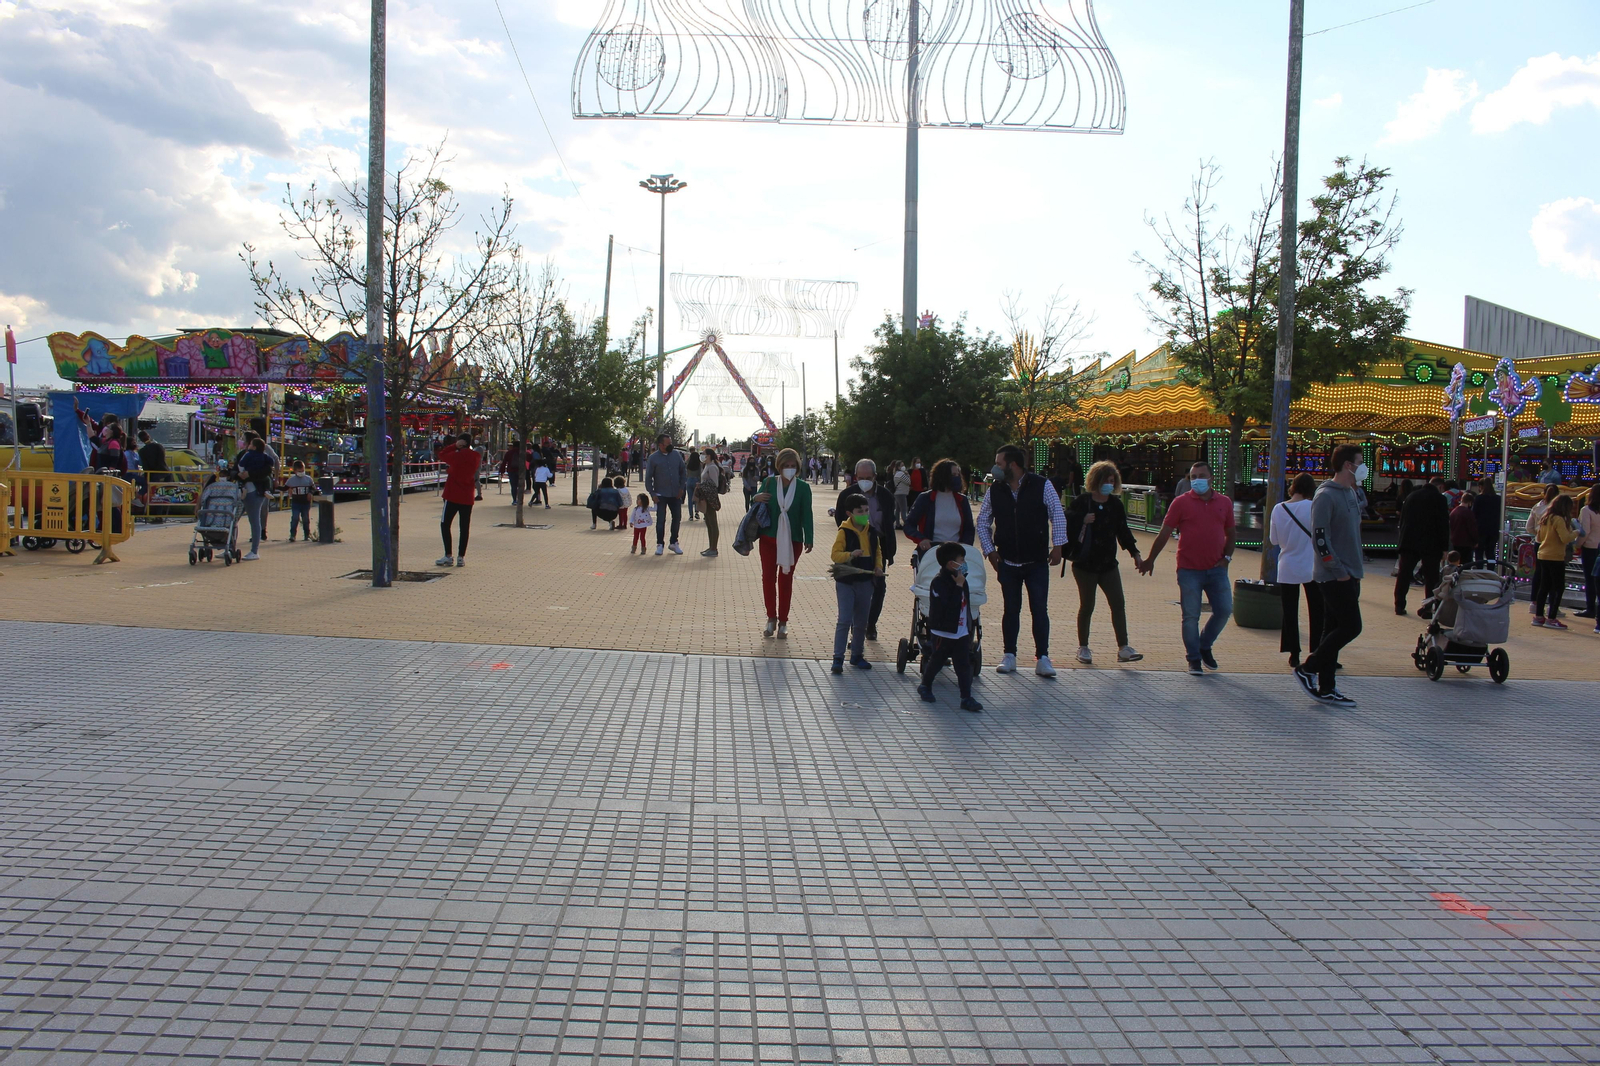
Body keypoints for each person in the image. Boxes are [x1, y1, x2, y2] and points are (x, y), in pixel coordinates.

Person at [1137, 460, 1234, 676]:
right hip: (1189, 569)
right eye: (1193, 477)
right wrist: (1150, 558)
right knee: (1191, 615)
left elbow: (1231, 531)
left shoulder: (1224, 502)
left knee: (1224, 610)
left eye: (1201, 475)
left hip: (1217, 568)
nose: (1197, 480)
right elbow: (1164, 533)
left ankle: (1204, 644)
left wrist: (1227, 557)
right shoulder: (1181, 503)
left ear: (1211, 478)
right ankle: (1194, 658)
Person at [978, 444, 1067, 678]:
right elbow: (983, 520)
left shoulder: (1041, 484)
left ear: (1013, 465)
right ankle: (1009, 654)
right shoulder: (996, 490)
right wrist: (989, 550)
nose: (995, 468)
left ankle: (1043, 657)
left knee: (1039, 609)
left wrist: (1058, 546)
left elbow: (1057, 514)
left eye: (999, 464)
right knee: (1011, 609)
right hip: (1007, 560)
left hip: (1036, 560)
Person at [1293, 444, 1366, 706]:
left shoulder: (1350, 493)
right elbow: (1320, 538)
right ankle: (1308, 667)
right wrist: (1339, 570)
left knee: (1332, 629)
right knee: (1351, 626)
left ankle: (1327, 687)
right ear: (1349, 465)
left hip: (1351, 572)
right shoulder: (1325, 496)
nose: (1363, 466)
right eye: (1360, 461)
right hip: (1334, 575)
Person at [1065, 460, 1143, 665]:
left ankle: (1123, 647)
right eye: (1105, 480)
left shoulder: (1115, 505)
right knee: (1087, 605)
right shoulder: (1083, 501)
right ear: (1095, 481)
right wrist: (1082, 519)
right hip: (1085, 564)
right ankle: (1083, 646)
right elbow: (1066, 520)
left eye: (1112, 481)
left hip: (1108, 564)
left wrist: (1134, 552)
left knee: (1118, 603)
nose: (1108, 484)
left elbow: (1123, 531)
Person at [751, 447, 814, 638]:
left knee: (785, 579)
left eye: (792, 466)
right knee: (768, 578)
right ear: (779, 466)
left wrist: (809, 538)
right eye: (786, 465)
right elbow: (756, 503)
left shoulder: (803, 487)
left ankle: (783, 621)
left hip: (792, 540)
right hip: (769, 538)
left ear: (798, 467)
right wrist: (756, 497)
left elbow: (806, 514)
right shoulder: (770, 483)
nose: (789, 468)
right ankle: (771, 618)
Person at [834, 459, 898, 641]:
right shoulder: (848, 495)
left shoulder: (885, 496)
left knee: (878, 586)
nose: (864, 481)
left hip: (878, 545)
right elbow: (840, 519)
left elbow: (889, 522)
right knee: (855, 587)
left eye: (868, 477)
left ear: (875, 477)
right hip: (855, 548)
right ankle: (856, 626)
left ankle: (870, 624)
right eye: (860, 477)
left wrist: (888, 550)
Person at [917, 541, 983, 713]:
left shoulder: (962, 579)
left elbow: (964, 604)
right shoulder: (939, 583)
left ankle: (966, 697)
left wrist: (968, 626)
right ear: (950, 563)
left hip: (960, 630)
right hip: (943, 630)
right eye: (961, 560)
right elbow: (949, 606)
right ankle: (925, 685)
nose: (964, 563)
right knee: (937, 659)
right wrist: (959, 586)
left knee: (962, 664)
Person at [1269, 473, 1322, 670]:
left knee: (1289, 612)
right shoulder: (1313, 507)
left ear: (1292, 487)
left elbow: (1274, 540)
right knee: (1317, 610)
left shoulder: (1278, 508)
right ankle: (1317, 651)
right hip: (1312, 566)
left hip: (1287, 565)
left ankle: (1293, 653)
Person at [829, 493, 882, 673]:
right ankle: (838, 657)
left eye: (866, 510)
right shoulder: (844, 531)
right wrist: (851, 555)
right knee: (844, 620)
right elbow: (835, 555)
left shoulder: (872, 532)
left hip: (866, 581)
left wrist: (878, 567)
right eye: (860, 511)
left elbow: (878, 552)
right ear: (849, 513)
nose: (864, 514)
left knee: (861, 622)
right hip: (846, 581)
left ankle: (857, 655)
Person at [1394, 477, 1450, 617]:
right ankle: (1427, 608)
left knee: (1404, 574)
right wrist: (1444, 547)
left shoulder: (1411, 496)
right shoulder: (1439, 499)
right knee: (1431, 578)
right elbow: (1443, 525)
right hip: (1431, 544)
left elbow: (1403, 520)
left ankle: (1399, 605)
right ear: (1440, 487)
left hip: (1409, 542)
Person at [903, 459, 975, 553]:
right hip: (931, 552)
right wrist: (921, 539)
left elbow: (969, 528)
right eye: (953, 475)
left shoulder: (962, 500)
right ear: (943, 476)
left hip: (957, 554)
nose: (957, 478)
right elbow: (909, 525)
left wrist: (965, 546)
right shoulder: (925, 499)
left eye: (958, 475)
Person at [435, 434, 480, 567]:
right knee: (464, 527)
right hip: (467, 496)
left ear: (461, 442)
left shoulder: (455, 456)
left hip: (452, 495)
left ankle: (448, 555)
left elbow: (442, 454)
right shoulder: (476, 456)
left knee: (445, 524)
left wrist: (454, 446)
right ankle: (461, 557)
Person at [1533, 494, 1577, 628]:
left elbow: (1539, 538)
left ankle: (1538, 616)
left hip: (1543, 554)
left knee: (1544, 586)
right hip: (1555, 556)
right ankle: (1551, 618)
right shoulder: (1559, 520)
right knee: (1558, 587)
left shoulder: (1545, 518)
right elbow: (1565, 538)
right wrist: (1576, 532)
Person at [1524, 483, 1563, 616]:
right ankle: (1552, 607)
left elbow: (1528, 527)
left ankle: (1534, 603)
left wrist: (1538, 533)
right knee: (1553, 578)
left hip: (1539, 543)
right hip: (1553, 545)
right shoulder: (1557, 510)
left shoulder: (1537, 507)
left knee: (1539, 573)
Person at [645, 434, 687, 555]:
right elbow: (648, 478)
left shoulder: (676, 455)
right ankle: (660, 544)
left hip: (675, 494)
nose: (670, 445)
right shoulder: (653, 458)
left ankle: (674, 542)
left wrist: (681, 488)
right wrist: (652, 493)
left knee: (677, 518)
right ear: (660, 445)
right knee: (661, 520)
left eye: (671, 442)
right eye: (668, 443)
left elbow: (682, 471)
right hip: (660, 495)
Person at [234, 437, 274, 561]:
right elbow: (234, 469)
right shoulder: (259, 456)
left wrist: (247, 474)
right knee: (233, 519)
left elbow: (265, 472)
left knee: (254, 520)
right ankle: (229, 546)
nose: (242, 443)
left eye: (245, 441)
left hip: (254, 491)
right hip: (244, 490)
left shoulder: (249, 455)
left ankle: (254, 550)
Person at [694, 445, 729, 556]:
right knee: (708, 522)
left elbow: (714, 484)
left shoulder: (712, 467)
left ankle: (714, 548)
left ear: (709, 456)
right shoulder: (706, 466)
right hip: (705, 496)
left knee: (712, 522)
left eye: (704, 454)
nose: (702, 456)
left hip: (710, 497)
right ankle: (711, 547)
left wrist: (702, 485)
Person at [1577, 486, 1600, 621]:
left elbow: (1584, 531)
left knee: (1590, 579)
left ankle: (1590, 608)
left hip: (1590, 547)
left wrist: (1577, 545)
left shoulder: (1586, 510)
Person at [285, 460, 317, 542]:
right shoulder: (292, 480)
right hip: (296, 502)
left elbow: (313, 488)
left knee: (305, 518)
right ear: (295, 471)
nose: (302, 472)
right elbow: (285, 487)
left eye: (303, 470)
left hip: (305, 502)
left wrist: (310, 493)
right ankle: (292, 535)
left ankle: (307, 535)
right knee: (295, 518)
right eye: (299, 471)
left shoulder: (308, 479)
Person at [1472, 478, 1501, 569]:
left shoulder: (1479, 498)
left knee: (1479, 552)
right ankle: (1491, 570)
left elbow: (1474, 514)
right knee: (1490, 552)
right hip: (1494, 529)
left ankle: (1479, 570)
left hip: (1481, 529)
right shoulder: (1498, 499)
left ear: (1481, 487)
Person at [1449, 489, 1479, 566]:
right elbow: (1472, 528)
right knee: (1466, 565)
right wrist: (1475, 541)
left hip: (1455, 541)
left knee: (1456, 564)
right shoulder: (1468, 513)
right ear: (1470, 502)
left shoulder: (1454, 511)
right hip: (1466, 543)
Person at [499, 440, 528, 509]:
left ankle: (514, 500)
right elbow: (528, 459)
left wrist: (502, 471)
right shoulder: (522, 452)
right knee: (521, 485)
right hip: (520, 470)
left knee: (513, 486)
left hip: (511, 470)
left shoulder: (509, 453)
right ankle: (520, 499)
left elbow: (504, 462)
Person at [891, 460, 911, 528]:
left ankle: (897, 524)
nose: (903, 467)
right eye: (902, 465)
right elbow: (908, 481)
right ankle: (906, 523)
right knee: (903, 509)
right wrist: (907, 474)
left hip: (897, 493)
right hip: (901, 493)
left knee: (897, 510)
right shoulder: (901, 474)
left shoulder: (896, 473)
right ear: (898, 467)